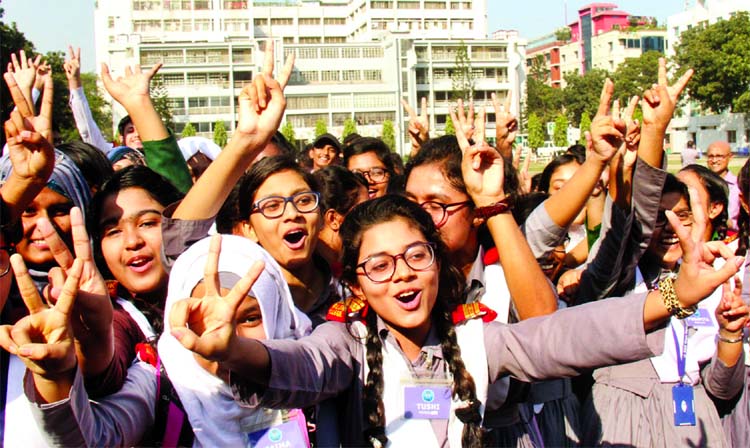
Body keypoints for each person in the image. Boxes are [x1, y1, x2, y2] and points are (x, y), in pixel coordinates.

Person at [165, 188, 740, 447]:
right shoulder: (346, 342)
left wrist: (673, 295)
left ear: (438, 263)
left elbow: (565, 336)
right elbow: (301, 367)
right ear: (357, 280)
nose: (403, 277)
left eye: (416, 257)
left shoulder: (476, 339)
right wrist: (234, 349)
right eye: (380, 265)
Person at [707, 141, 740, 231]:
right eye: (711, 156)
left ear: (730, 157)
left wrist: (729, 223)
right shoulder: (700, 184)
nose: (714, 160)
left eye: (719, 156)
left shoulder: (738, 186)